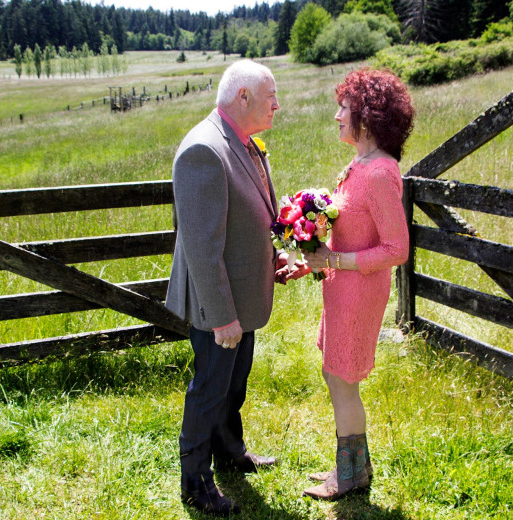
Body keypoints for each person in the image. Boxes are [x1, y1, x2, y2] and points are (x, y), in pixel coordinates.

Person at [285, 68, 414, 501]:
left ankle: (350, 476)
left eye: (344, 108)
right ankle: (355, 467)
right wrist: (308, 264)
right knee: (337, 375)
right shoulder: (359, 165)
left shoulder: (379, 173)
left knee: (341, 378)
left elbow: (397, 249)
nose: (337, 115)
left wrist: (335, 260)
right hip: (342, 288)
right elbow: (345, 232)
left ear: (368, 115)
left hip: (359, 292)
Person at [165, 59, 283, 516]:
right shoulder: (204, 151)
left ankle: (229, 450)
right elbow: (201, 249)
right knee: (210, 387)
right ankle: (195, 482)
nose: (278, 104)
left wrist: (273, 258)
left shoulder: (244, 142)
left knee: (235, 383)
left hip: (243, 296)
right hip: (220, 304)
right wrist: (223, 318)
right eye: (271, 95)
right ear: (243, 97)